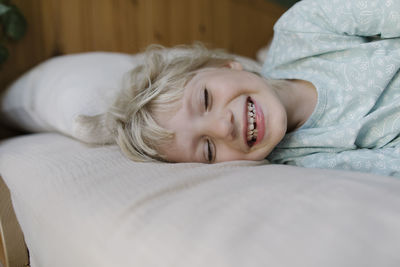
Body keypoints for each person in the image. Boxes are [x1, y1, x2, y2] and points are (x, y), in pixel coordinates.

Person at [82, 0, 400, 177]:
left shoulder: (303, 28)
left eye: (205, 99)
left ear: (226, 65)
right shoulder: (304, 164)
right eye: (207, 149)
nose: (223, 126)